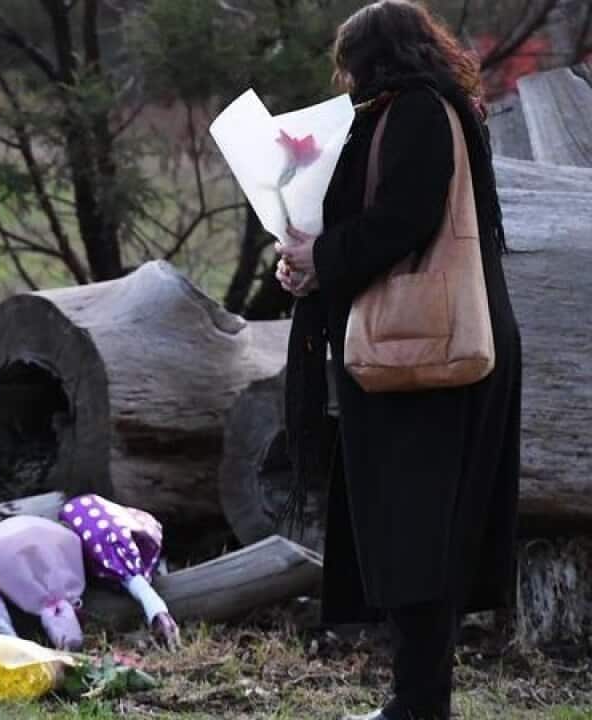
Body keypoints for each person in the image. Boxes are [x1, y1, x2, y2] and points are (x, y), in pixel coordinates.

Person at [274, 2, 523, 719]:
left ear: (375, 60)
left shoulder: (415, 113)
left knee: (418, 535)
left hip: (427, 357)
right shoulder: (426, 108)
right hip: (427, 350)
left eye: (350, 62)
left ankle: (419, 706)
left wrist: (323, 258)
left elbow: (404, 218)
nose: (345, 77)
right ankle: (417, 703)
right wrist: (309, 266)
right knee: (420, 535)